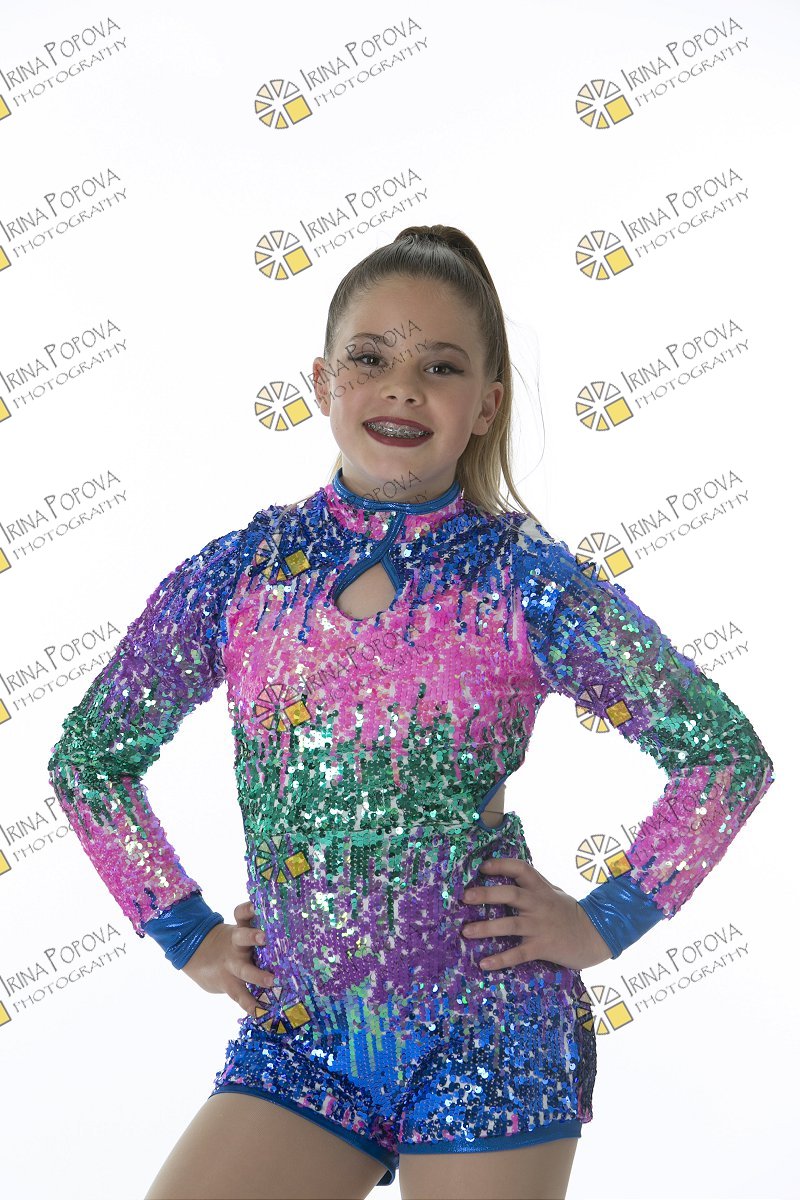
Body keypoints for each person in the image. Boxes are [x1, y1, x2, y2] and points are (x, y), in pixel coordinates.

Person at [47, 225, 775, 1200]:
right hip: (301, 1039)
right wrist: (187, 934)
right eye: (370, 358)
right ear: (322, 382)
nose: (401, 388)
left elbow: (722, 755)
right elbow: (90, 758)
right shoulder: (241, 573)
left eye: (440, 366)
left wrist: (606, 919)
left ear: (486, 405)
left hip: (491, 1033)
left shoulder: (525, 582)